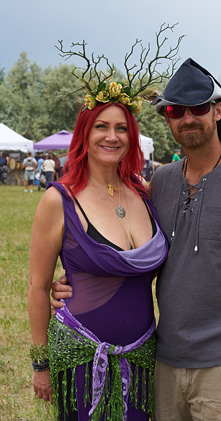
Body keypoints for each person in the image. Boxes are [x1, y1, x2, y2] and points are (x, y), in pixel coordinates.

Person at [52, 58, 221, 420]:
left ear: (218, 110)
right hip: (164, 364)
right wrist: (79, 283)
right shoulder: (162, 183)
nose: (187, 118)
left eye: (198, 107)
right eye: (175, 109)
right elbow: (140, 259)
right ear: (166, 117)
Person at [28, 91, 168, 417]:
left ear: (131, 136)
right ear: (84, 133)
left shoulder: (144, 193)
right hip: (80, 355)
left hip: (142, 355)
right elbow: (37, 286)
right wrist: (40, 364)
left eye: (121, 128)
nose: (111, 136)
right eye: (101, 126)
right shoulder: (58, 200)